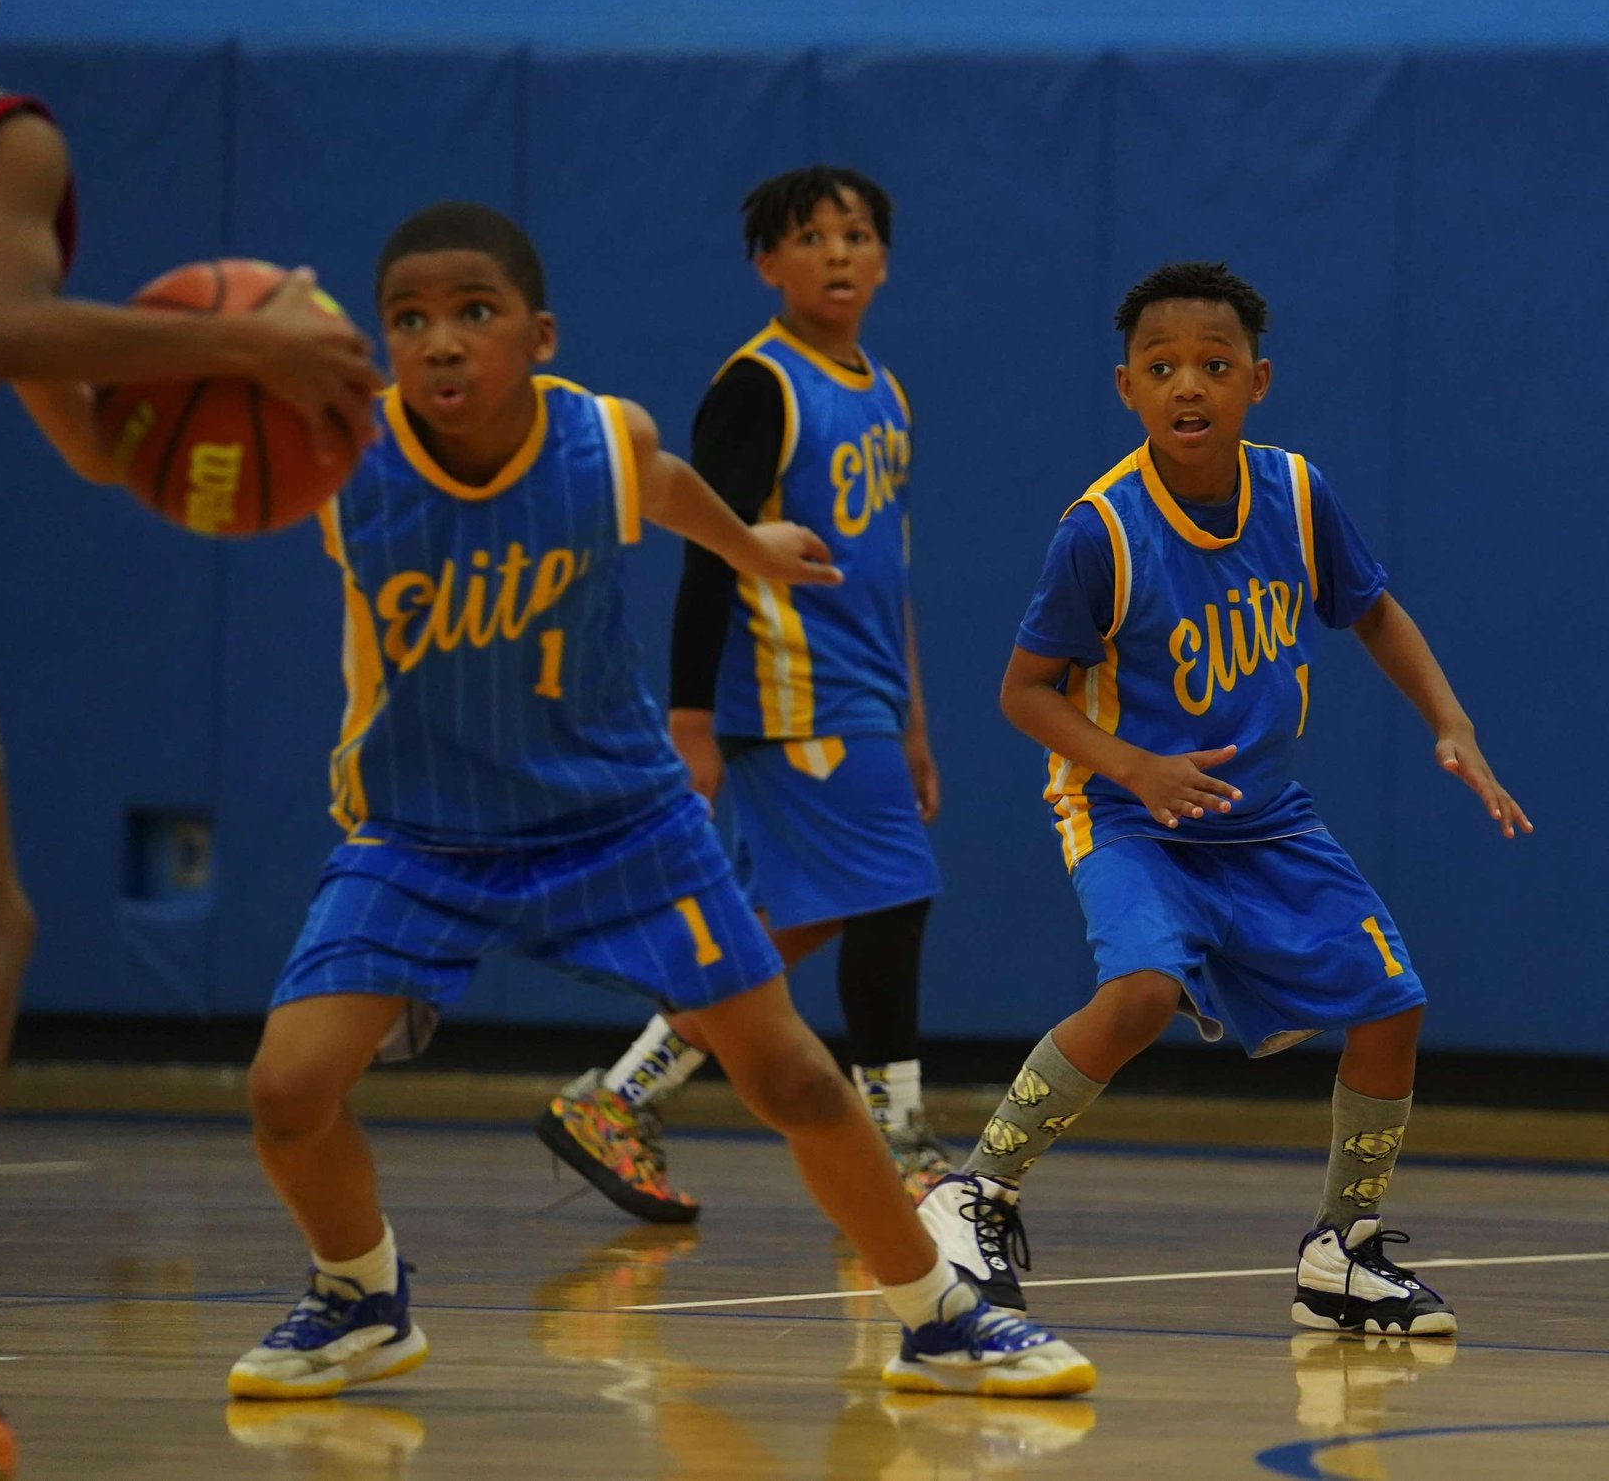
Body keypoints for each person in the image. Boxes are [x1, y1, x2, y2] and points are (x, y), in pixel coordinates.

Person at [226, 202, 1092, 1402]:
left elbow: (668, 482)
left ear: (539, 334)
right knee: (285, 1089)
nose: (439, 342)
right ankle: (359, 1291)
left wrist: (751, 546)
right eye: (408, 320)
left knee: (789, 1075)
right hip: (420, 832)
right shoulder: (336, 459)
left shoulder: (599, 440)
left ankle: (935, 1312)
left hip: (619, 818)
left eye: (473, 314)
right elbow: (141, 448)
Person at [919, 261, 1531, 1337]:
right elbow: (1023, 694)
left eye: (1212, 365)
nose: (1186, 385)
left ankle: (1341, 1249)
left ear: (1257, 378)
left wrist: (1451, 718)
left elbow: (1373, 609)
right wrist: (1132, 766)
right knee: (1145, 988)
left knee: (1392, 1004)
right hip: (1125, 811)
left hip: (1263, 816)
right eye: (1161, 368)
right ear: (1126, 388)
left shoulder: (1296, 493)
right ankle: (978, 1188)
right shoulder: (1099, 532)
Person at [0, 0, 379, 1475]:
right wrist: (258, 362)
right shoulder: (10, 134)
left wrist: (118, 416)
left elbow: (53, 401)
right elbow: (5, 330)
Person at [538, 165, 951, 1222]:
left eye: (856, 234)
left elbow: (889, 570)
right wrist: (692, 723)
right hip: (788, 693)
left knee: (789, 922)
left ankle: (616, 1098)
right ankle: (901, 1142)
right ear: (767, 263)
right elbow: (708, 555)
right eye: (810, 237)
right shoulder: (758, 385)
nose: (839, 253)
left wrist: (913, 720)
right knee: (891, 893)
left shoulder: (890, 389)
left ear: (886, 257)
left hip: (863, 696)